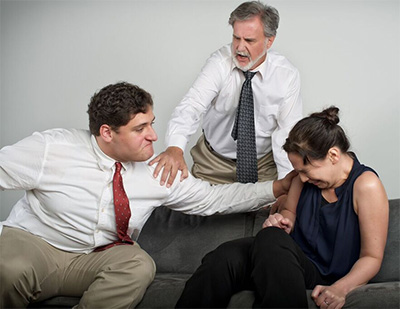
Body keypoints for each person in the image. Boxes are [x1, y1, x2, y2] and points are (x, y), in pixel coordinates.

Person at [0, 82, 296, 308]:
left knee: (139, 266)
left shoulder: (157, 171)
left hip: (97, 256)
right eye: (141, 128)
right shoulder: (53, 148)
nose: (154, 136)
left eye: (152, 124)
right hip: (37, 244)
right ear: (107, 132)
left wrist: (276, 188)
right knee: (8, 267)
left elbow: (211, 199)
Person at [175, 106, 389, 309]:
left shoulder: (366, 185)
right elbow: (289, 216)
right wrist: (280, 222)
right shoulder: (300, 179)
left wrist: (340, 289)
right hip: (289, 262)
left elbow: (372, 257)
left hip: (328, 273)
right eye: (298, 171)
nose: (301, 178)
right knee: (224, 257)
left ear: (333, 155)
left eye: (307, 170)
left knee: (270, 238)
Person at [150, 1, 302, 187]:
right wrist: (175, 147)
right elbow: (192, 105)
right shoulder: (219, 63)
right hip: (213, 163)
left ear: (269, 41)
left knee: (265, 214)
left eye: (249, 40)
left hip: (263, 165)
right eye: (236, 38)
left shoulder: (286, 75)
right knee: (204, 214)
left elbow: (287, 132)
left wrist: (287, 182)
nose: (239, 47)